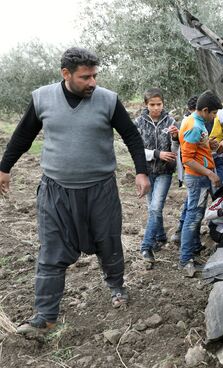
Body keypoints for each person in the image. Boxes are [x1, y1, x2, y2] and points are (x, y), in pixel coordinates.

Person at [0, 47, 150, 335]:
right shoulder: (42, 98)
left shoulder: (108, 100)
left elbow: (131, 135)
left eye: (95, 75)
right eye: (85, 77)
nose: (92, 82)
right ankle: (45, 315)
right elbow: (23, 135)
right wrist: (4, 167)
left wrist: (141, 171)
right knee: (51, 251)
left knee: (109, 242)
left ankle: (117, 287)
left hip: (101, 190)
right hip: (56, 192)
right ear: (65, 74)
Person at [178, 90, 222, 277]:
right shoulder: (195, 126)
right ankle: (185, 259)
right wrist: (210, 174)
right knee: (193, 217)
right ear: (205, 110)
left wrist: (208, 145)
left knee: (193, 213)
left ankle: (192, 251)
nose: (214, 117)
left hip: (200, 176)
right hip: (198, 179)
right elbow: (187, 159)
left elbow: (197, 149)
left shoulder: (198, 123)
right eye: (213, 113)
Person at [134, 88, 178, 268]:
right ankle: (160, 237)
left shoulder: (171, 121)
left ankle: (146, 247)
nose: (156, 108)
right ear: (146, 104)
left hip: (164, 173)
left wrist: (176, 138)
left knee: (155, 208)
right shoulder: (139, 122)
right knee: (154, 209)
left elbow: (175, 151)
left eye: (159, 104)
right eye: (152, 104)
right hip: (146, 172)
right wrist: (156, 154)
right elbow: (135, 149)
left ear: (163, 104)